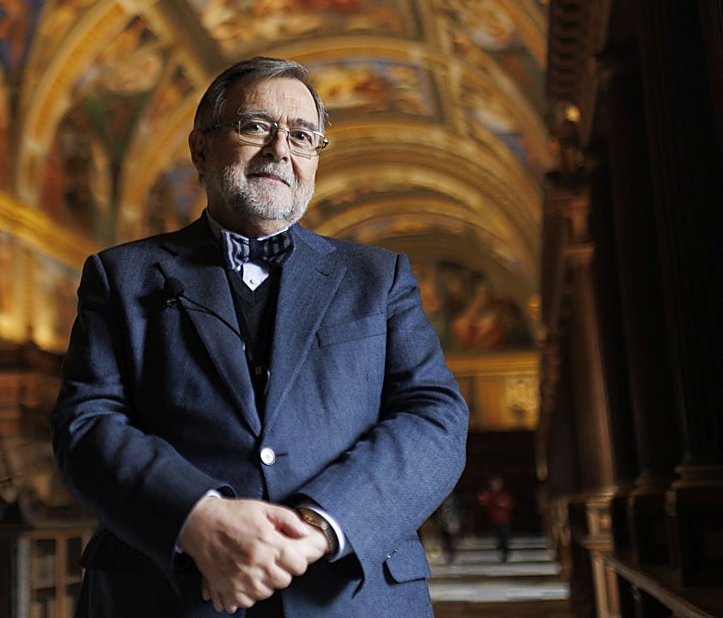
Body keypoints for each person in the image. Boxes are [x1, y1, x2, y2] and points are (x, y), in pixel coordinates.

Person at [50, 56, 468, 617]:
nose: (280, 151)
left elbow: (435, 418)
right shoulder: (119, 276)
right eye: (256, 127)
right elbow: (88, 423)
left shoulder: (379, 277)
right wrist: (197, 517)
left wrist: (321, 525)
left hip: (350, 594)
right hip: (166, 596)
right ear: (200, 149)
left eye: (302, 136)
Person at [478, 474, 514, 563]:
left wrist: (502, 504)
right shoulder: (489, 494)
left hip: (504, 520)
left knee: (505, 537)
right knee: (498, 538)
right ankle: (502, 551)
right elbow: (484, 502)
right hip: (494, 520)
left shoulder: (504, 494)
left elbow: (509, 504)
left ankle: (505, 552)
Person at [436, 493, 464, 565]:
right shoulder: (440, 499)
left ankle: (454, 556)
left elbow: (459, 510)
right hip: (443, 523)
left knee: (453, 541)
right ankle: (448, 557)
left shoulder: (455, 500)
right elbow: (438, 512)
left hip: (453, 523)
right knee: (446, 541)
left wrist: (456, 521)